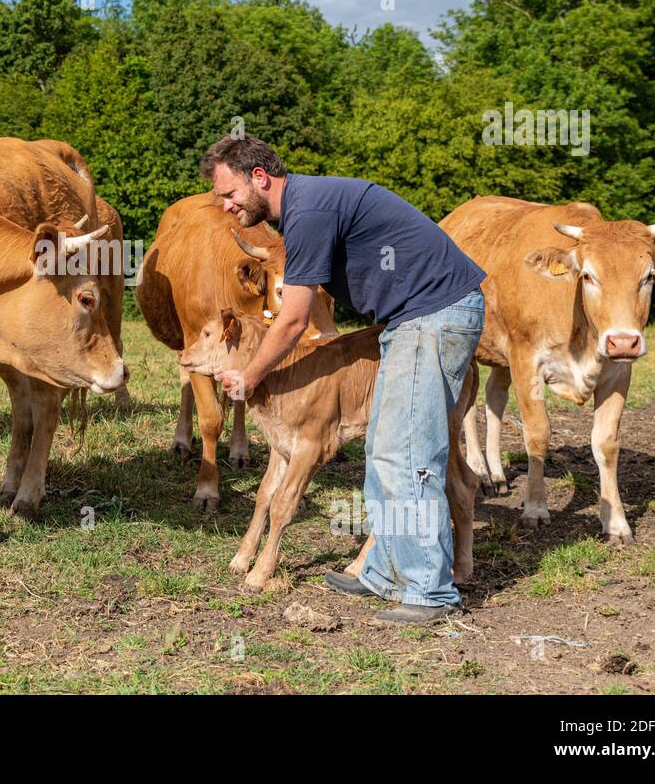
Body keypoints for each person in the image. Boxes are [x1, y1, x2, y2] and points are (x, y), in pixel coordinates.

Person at [202, 134, 486, 624]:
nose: (225, 206)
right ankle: (382, 568)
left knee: (410, 452)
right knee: (383, 445)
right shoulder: (305, 207)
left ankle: (429, 591)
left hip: (434, 316)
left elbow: (293, 320)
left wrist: (249, 377)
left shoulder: (308, 212)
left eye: (229, 194)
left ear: (260, 178)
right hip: (408, 320)